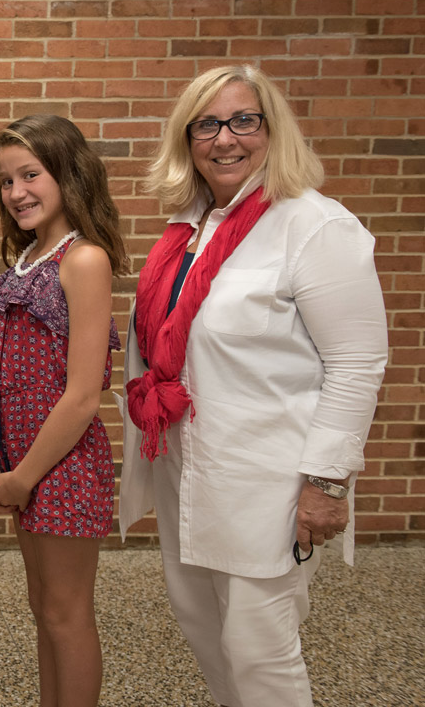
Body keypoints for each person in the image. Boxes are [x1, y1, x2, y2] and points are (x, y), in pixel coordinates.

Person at [119, 64, 388, 707]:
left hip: (269, 482)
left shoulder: (314, 226)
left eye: (244, 121)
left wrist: (326, 483)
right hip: (187, 472)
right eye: (206, 124)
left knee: (261, 650)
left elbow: (357, 364)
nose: (225, 139)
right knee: (206, 632)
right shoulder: (188, 231)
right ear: (187, 140)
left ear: (273, 130)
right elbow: (175, 342)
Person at [0, 115, 130, 707]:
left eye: (30, 175)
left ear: (68, 174)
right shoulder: (28, 259)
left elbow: (83, 393)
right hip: (22, 464)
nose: (16, 192)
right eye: (6, 180)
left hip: (61, 465)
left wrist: (23, 475)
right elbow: (4, 379)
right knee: (44, 607)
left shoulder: (81, 259)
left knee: (67, 612)